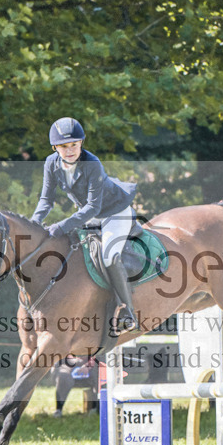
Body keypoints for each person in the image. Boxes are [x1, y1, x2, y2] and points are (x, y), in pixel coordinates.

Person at [32, 117, 139, 333]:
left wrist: (62, 226)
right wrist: (34, 224)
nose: (70, 150)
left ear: (82, 143)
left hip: (113, 212)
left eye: (74, 144)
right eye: (64, 146)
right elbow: (46, 200)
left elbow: (92, 207)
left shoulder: (92, 163)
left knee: (108, 255)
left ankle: (127, 310)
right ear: (55, 147)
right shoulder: (50, 163)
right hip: (89, 215)